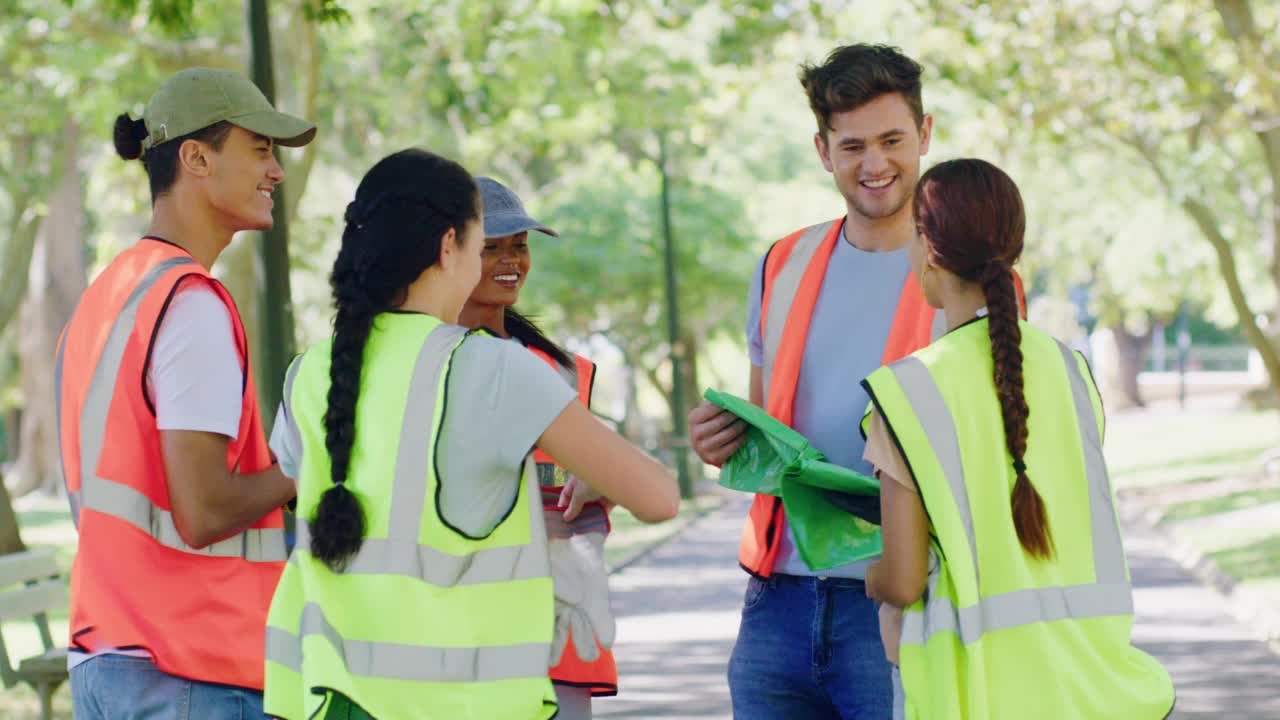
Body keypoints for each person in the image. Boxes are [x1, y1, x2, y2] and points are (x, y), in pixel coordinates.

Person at [262, 149, 680, 720]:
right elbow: (659, 497)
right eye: (485, 241)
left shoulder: (310, 372)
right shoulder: (496, 369)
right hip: (462, 700)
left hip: (329, 698)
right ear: (448, 247)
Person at [862, 158, 1175, 719]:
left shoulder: (908, 392)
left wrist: (871, 576)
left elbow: (903, 581)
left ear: (929, 253)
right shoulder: (1073, 374)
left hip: (972, 694)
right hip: (1089, 689)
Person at [688, 44, 941, 719]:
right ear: (824, 151)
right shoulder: (782, 263)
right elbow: (767, 430)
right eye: (852, 145)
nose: (875, 163)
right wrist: (721, 439)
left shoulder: (969, 277)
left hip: (902, 602)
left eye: (892, 140)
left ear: (926, 134)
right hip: (779, 604)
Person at [55, 67, 314, 717]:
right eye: (260, 150)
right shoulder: (189, 302)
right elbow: (203, 510)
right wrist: (306, 460)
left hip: (112, 655)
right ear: (196, 157)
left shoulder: (109, 296)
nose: (276, 172)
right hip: (189, 667)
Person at [458, 176, 619, 719]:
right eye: (492, 248)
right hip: (457, 644)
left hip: (558, 642)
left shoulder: (566, 374)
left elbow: (600, 488)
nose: (512, 261)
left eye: (520, 246)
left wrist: (604, 483)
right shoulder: (419, 365)